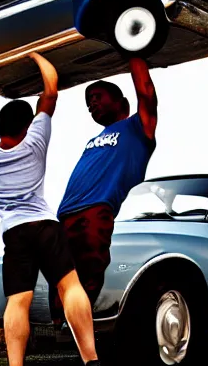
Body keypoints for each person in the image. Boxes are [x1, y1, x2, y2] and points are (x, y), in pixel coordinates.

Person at [0, 52, 105, 366]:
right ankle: (92, 363)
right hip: (46, 227)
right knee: (70, 287)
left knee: (18, 302)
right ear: (27, 127)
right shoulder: (36, 142)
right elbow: (50, 92)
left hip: (16, 235)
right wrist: (33, 53)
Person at [51, 57, 157, 323]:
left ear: (122, 102)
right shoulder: (94, 139)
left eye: (97, 97)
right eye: (88, 103)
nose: (92, 104)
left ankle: (82, 341)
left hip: (95, 212)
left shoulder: (137, 127)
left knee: (87, 273)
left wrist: (133, 51)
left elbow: (146, 92)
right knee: (62, 280)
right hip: (65, 215)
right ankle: (64, 331)